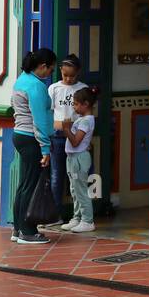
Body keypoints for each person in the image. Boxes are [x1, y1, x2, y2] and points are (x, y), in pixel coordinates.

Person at [10, 47, 57, 244]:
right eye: (51, 70)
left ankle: (18, 228)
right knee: (30, 185)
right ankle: (28, 232)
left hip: (20, 135)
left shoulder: (21, 80)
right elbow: (39, 120)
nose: (50, 74)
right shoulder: (36, 86)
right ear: (43, 66)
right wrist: (45, 149)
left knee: (24, 185)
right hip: (32, 139)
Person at [43, 55, 87, 231]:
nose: (69, 79)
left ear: (78, 74)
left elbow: (86, 115)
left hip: (76, 138)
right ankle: (55, 215)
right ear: (60, 71)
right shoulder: (53, 88)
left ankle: (81, 216)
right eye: (65, 75)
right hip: (57, 137)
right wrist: (60, 126)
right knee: (56, 176)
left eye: (72, 76)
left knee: (76, 178)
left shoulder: (82, 88)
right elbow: (49, 114)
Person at [61, 87, 98, 233]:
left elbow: (76, 141)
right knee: (74, 189)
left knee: (81, 190)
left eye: (76, 104)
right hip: (73, 158)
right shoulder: (82, 120)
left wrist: (66, 129)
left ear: (86, 104)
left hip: (79, 158)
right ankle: (76, 218)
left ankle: (87, 220)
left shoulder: (86, 121)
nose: (74, 107)